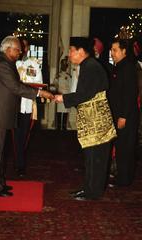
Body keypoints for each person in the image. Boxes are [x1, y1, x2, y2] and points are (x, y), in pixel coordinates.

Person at [0, 35, 54, 197]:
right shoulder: (2, 64)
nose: (20, 52)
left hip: (0, 115)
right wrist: (40, 92)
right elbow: (16, 87)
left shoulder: (7, 63)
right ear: (8, 49)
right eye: (17, 49)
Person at [54, 37, 116, 200]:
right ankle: (88, 188)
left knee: (96, 158)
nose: (69, 54)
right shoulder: (88, 65)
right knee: (90, 156)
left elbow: (85, 94)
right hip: (93, 119)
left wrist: (64, 98)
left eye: (71, 50)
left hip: (97, 121)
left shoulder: (90, 66)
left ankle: (93, 192)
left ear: (81, 51)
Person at [108, 38, 139, 187]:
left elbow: (130, 94)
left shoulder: (127, 68)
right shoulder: (119, 67)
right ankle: (122, 177)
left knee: (125, 148)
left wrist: (123, 116)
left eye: (115, 50)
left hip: (125, 117)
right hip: (119, 115)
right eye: (111, 50)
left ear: (124, 51)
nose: (112, 53)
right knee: (121, 148)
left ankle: (124, 180)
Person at [14, 38, 43, 176]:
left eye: (23, 46)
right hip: (13, 105)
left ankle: (20, 162)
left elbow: (39, 83)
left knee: (24, 134)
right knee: (15, 135)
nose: (20, 49)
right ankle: (18, 162)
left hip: (27, 104)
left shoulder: (34, 64)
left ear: (27, 48)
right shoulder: (12, 63)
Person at [54, 56, 71, 130]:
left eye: (65, 65)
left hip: (66, 96)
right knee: (58, 111)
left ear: (67, 66)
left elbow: (71, 87)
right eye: (63, 65)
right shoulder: (58, 76)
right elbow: (54, 85)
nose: (64, 66)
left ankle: (64, 127)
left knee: (65, 112)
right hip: (59, 95)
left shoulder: (69, 76)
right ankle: (58, 127)